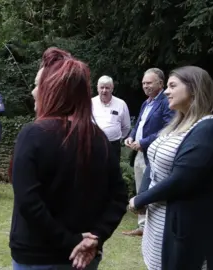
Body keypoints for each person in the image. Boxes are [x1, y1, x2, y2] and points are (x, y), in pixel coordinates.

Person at [9, 47, 128, 270]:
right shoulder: (99, 138)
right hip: (85, 257)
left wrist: (74, 241)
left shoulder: (33, 134)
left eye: (39, 85)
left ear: (54, 90)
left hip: (39, 257)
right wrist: (95, 237)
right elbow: (119, 197)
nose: (34, 92)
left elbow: (29, 202)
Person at [128, 66, 213, 270]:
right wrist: (144, 195)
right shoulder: (177, 123)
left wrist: (140, 199)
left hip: (183, 224)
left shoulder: (209, 128)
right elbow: (152, 163)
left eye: (172, 86)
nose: (166, 91)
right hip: (159, 219)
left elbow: (182, 179)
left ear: (194, 89)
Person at [123, 68, 174, 236]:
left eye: (149, 83)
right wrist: (131, 136)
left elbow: (169, 128)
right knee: (141, 188)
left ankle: (154, 229)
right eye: (144, 83)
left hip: (154, 153)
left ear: (160, 83)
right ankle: (142, 227)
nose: (145, 86)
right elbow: (138, 125)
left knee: (153, 189)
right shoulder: (147, 102)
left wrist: (143, 142)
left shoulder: (166, 102)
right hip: (139, 153)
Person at [91, 75, 131, 164]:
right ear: (97, 88)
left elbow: (126, 126)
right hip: (94, 144)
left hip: (113, 145)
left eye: (107, 88)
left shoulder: (121, 104)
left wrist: (118, 138)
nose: (104, 90)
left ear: (112, 88)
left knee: (112, 171)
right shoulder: (90, 103)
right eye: (102, 87)